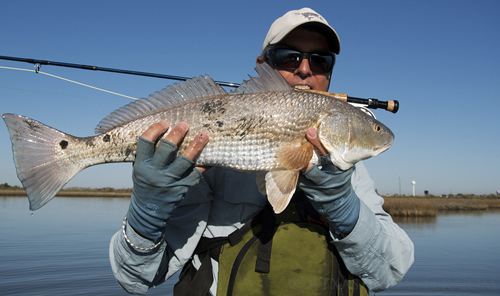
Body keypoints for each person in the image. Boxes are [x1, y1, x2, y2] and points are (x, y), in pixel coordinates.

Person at [110, 7, 414, 295]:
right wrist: (146, 216)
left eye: (321, 60)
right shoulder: (204, 165)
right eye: (288, 57)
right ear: (262, 65)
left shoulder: (346, 172)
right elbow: (135, 279)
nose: (305, 70)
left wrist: (345, 208)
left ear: (330, 73)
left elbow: (391, 270)